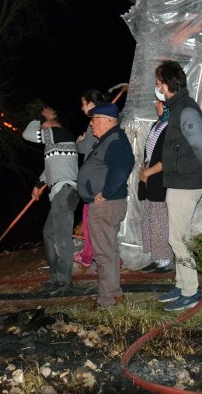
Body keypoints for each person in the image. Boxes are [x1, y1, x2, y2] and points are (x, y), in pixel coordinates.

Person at [155, 60, 202, 312]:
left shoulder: (186, 110)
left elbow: (200, 146)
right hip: (179, 180)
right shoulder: (176, 108)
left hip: (186, 182)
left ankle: (191, 290)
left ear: (167, 84)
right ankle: (181, 283)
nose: (157, 88)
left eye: (158, 84)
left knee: (178, 239)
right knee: (179, 236)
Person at [75, 102, 135, 308]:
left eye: (95, 119)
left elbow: (124, 165)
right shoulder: (108, 140)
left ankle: (106, 300)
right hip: (106, 204)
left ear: (108, 121)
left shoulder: (115, 140)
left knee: (103, 253)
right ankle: (115, 292)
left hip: (105, 205)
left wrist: (107, 192)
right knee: (109, 250)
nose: (91, 124)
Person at [22, 106, 80, 294]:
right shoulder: (55, 141)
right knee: (49, 233)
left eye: (44, 122)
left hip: (65, 191)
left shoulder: (59, 133)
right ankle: (56, 277)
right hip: (58, 192)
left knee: (62, 237)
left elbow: (27, 134)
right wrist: (38, 185)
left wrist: (39, 118)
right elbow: (50, 169)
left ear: (51, 121)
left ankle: (64, 281)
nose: (41, 126)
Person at [137, 90, 174, 273]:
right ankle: (156, 257)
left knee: (160, 221)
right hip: (149, 181)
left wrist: (148, 172)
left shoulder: (172, 128)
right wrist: (143, 170)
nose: (155, 105)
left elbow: (167, 158)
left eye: (159, 102)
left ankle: (166, 260)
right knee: (149, 220)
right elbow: (149, 153)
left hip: (159, 181)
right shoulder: (157, 126)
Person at [74, 89, 107, 268]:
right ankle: (95, 255)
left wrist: (80, 141)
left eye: (84, 104)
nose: (82, 108)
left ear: (92, 104)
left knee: (90, 219)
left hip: (94, 181)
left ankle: (89, 256)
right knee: (92, 219)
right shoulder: (106, 120)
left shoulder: (94, 123)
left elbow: (84, 147)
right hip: (98, 178)